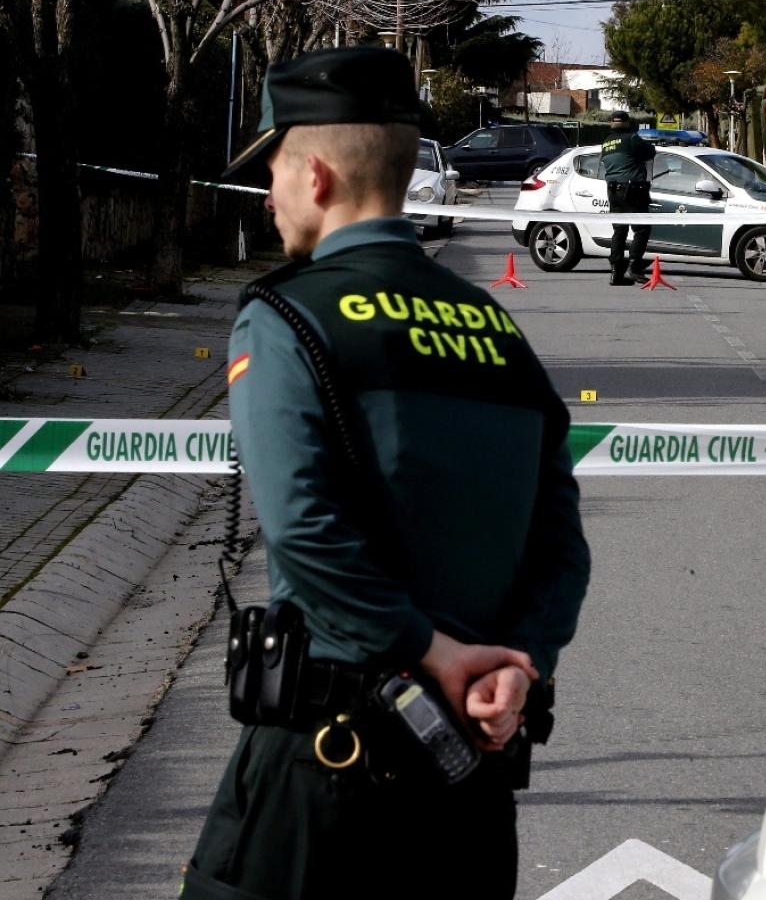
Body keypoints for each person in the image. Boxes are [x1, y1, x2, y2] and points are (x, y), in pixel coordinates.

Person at [184, 47, 591, 899]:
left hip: (326, 774)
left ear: (318, 175)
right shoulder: (497, 332)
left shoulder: (289, 316)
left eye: (275, 175)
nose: (268, 198)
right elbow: (562, 546)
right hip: (470, 787)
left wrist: (430, 652)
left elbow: (303, 531)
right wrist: (521, 664)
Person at [601, 110, 656, 285]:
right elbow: (650, 152)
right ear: (627, 123)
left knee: (619, 230)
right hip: (633, 189)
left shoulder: (606, 142)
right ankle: (634, 267)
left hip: (613, 191)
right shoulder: (631, 138)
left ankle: (616, 273)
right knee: (641, 229)